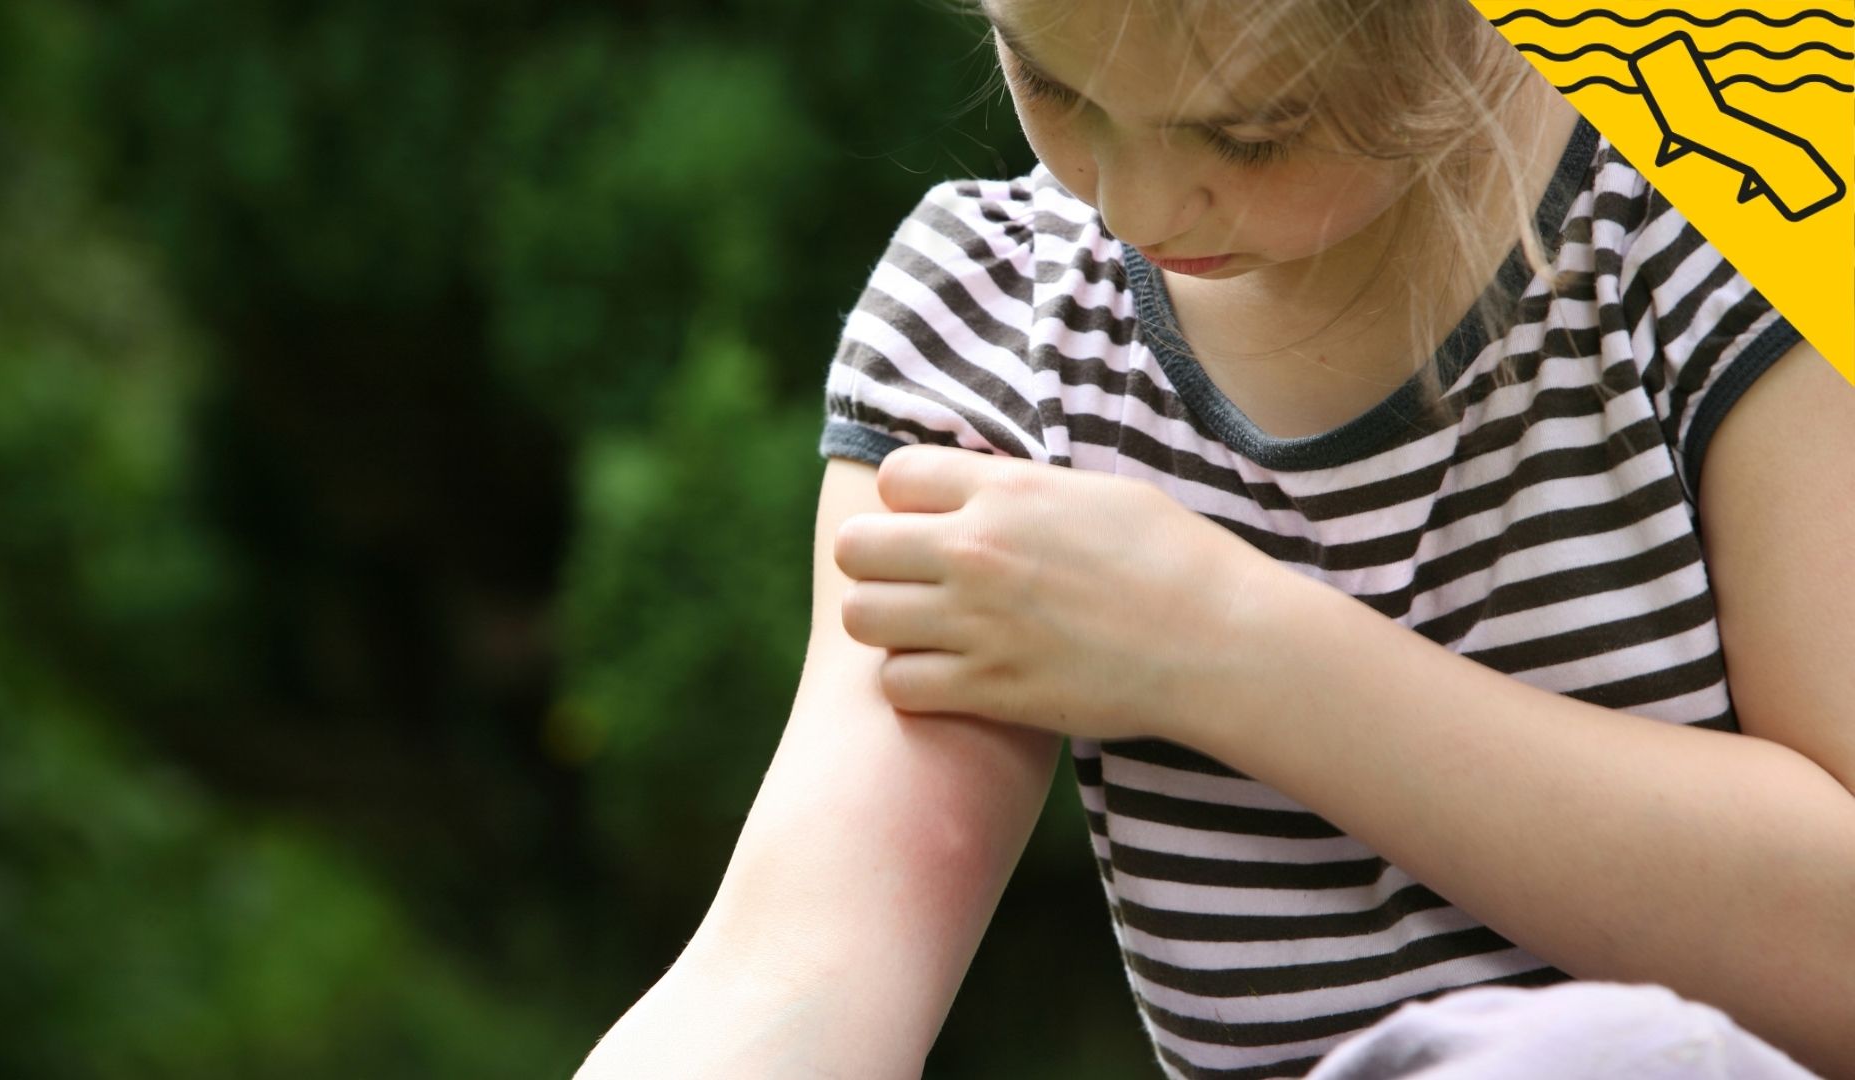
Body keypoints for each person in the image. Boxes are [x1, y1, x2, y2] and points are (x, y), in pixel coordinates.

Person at [577, 0, 1854, 1076]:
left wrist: (1227, 649)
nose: (1130, 204)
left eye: (1249, 131)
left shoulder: (1734, 221)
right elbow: (799, 963)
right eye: (1049, 80)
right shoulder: (994, 332)